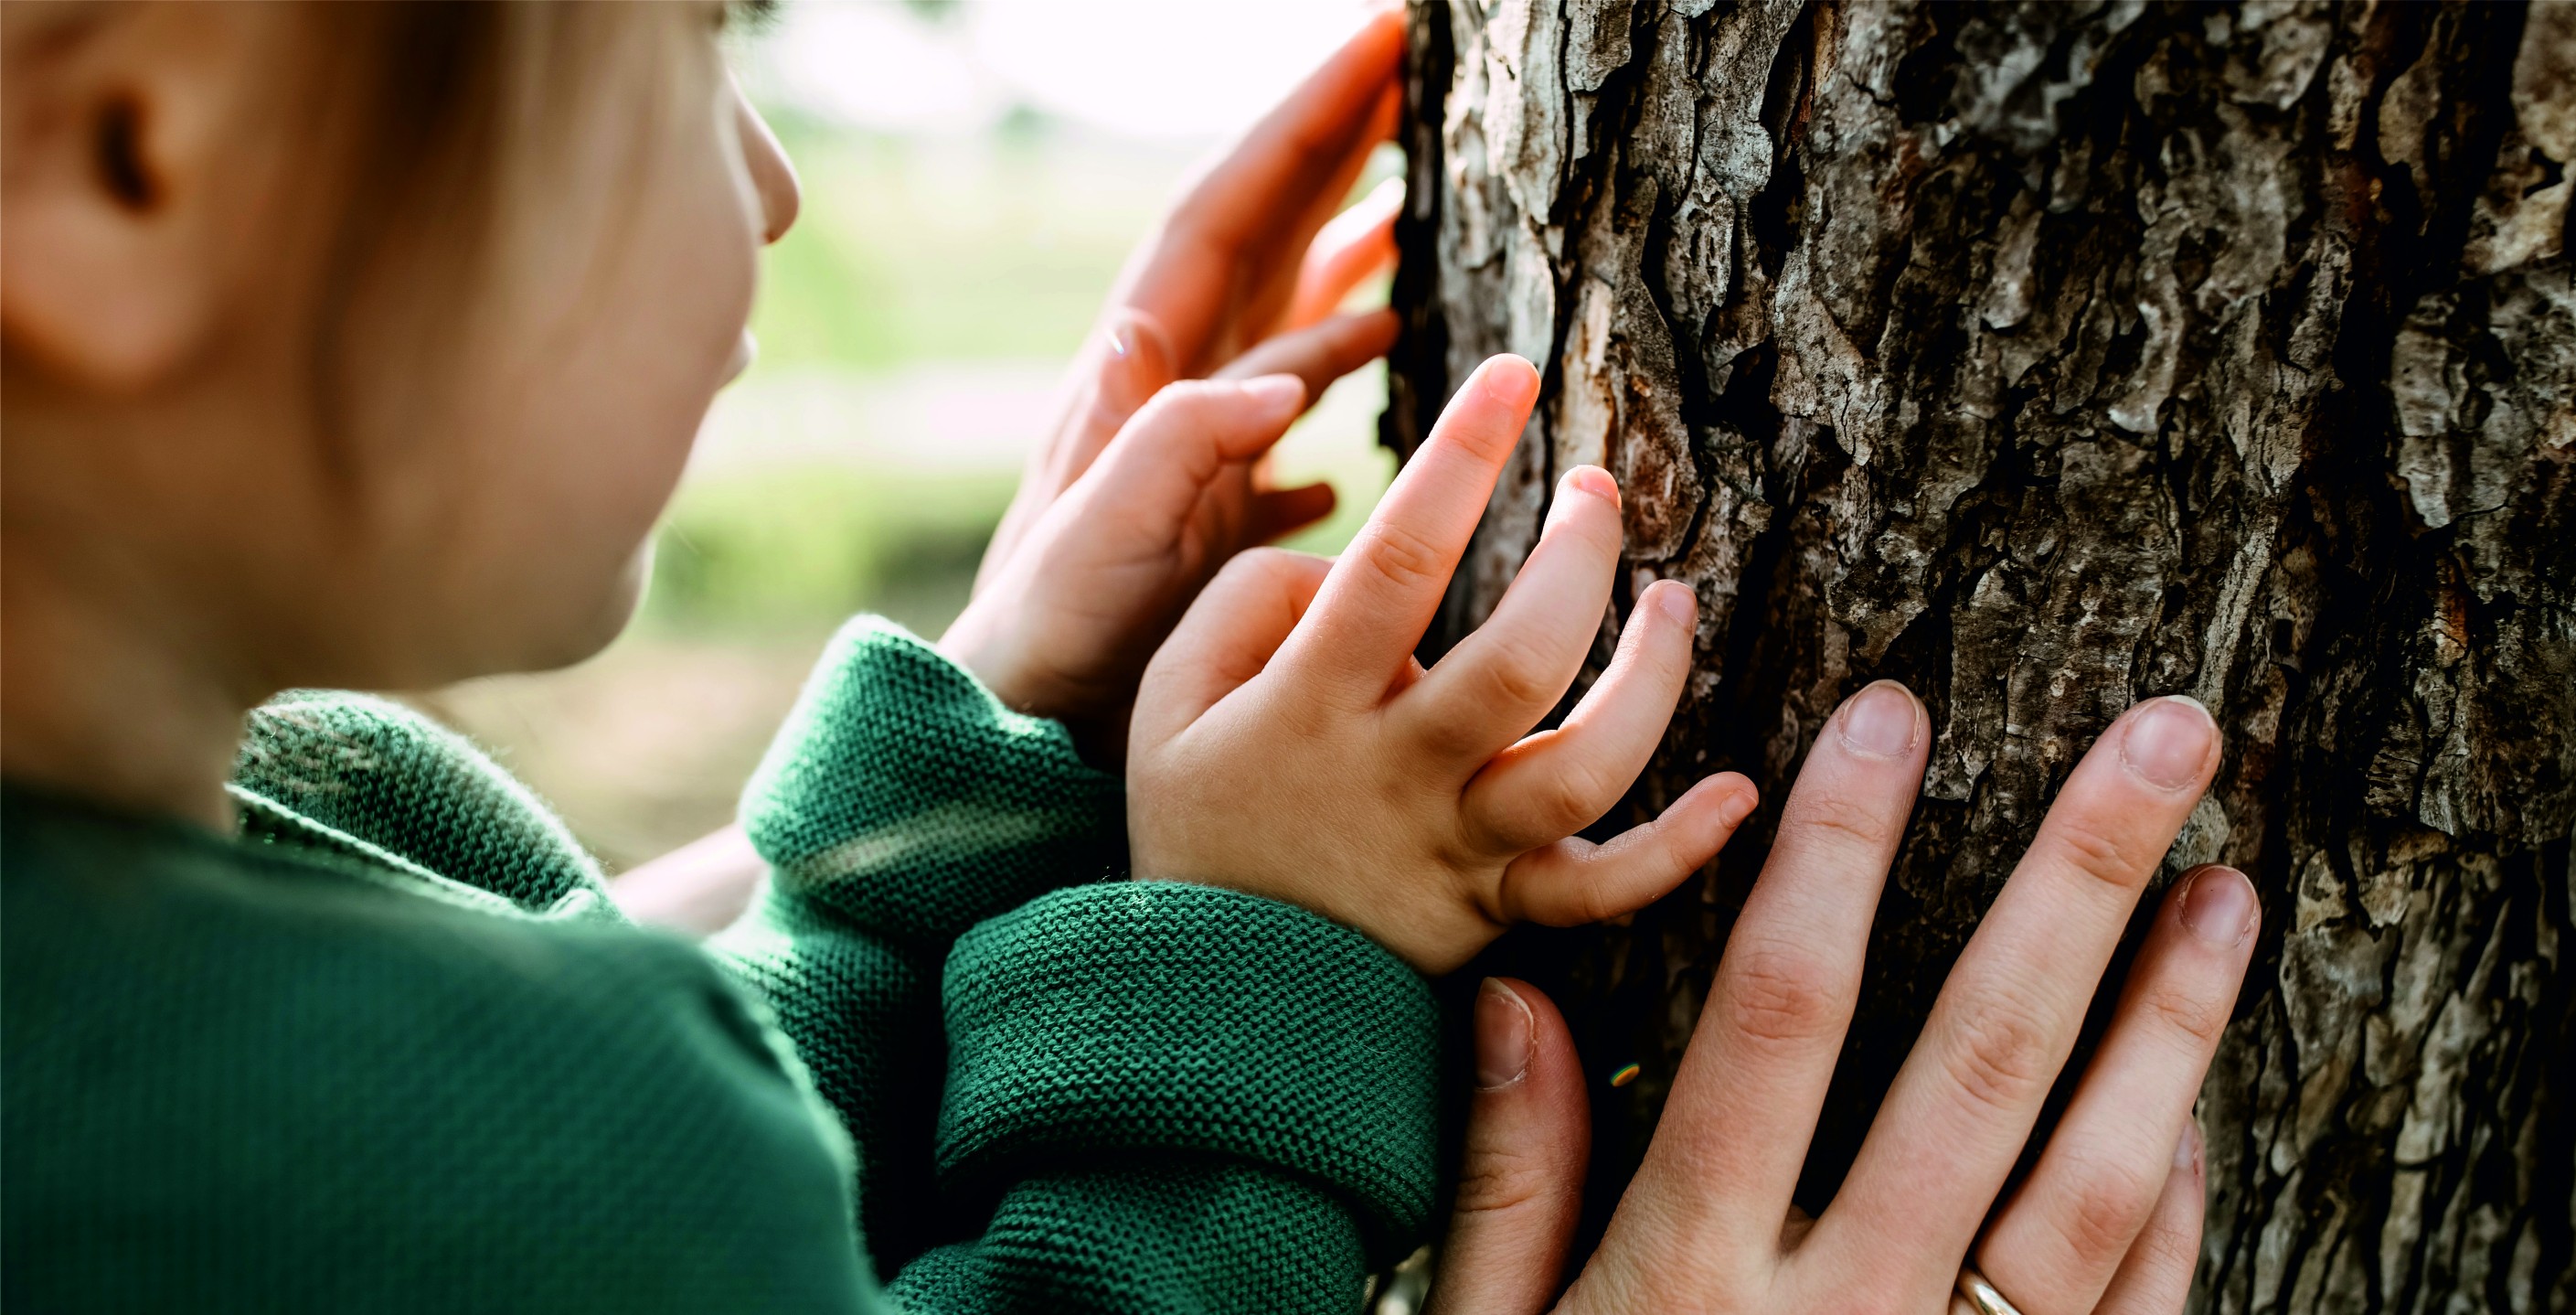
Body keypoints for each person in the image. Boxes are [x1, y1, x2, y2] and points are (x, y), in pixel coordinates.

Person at [0, 4, 2257, 1313]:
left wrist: (968, 791)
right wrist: (1256, 951)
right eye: (689, 29)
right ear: (135, 163)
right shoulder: (502, 1157)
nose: (772, 181)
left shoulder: (226, 890)